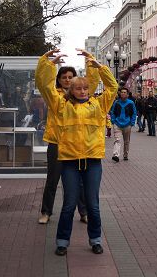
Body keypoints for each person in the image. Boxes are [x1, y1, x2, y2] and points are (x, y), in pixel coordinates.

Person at [36, 48, 117, 256]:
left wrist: (101, 68)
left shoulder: (98, 105)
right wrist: (47, 64)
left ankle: (95, 240)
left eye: (85, 88)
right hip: (70, 161)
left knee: (93, 204)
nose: (82, 91)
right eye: (78, 89)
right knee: (69, 204)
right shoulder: (61, 106)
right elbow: (45, 86)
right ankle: (62, 242)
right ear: (71, 90)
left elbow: (113, 87)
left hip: (92, 161)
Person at [37, 49, 99, 225]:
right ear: (59, 79)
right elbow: (42, 82)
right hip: (57, 142)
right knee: (52, 179)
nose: (67, 79)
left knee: (79, 181)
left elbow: (92, 83)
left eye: (70, 77)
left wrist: (90, 62)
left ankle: (84, 211)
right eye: (64, 77)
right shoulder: (53, 95)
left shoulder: (81, 96)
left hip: (75, 143)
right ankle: (46, 212)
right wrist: (48, 64)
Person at [110, 87, 137, 162]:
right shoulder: (116, 102)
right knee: (117, 140)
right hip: (117, 124)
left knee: (126, 141)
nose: (123, 93)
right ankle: (116, 155)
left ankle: (125, 155)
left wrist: (132, 123)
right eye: (122, 92)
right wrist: (113, 120)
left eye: (125, 92)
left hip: (127, 124)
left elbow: (134, 113)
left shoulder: (130, 103)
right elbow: (112, 112)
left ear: (127, 94)